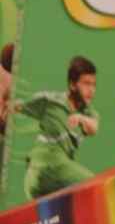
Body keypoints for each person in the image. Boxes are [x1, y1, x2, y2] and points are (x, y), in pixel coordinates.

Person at [18, 55, 100, 198]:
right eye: (86, 84)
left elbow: (93, 128)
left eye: (93, 84)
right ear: (72, 85)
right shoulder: (49, 101)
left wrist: (80, 118)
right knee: (97, 185)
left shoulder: (89, 113)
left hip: (44, 180)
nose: (91, 90)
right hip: (46, 164)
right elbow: (16, 105)